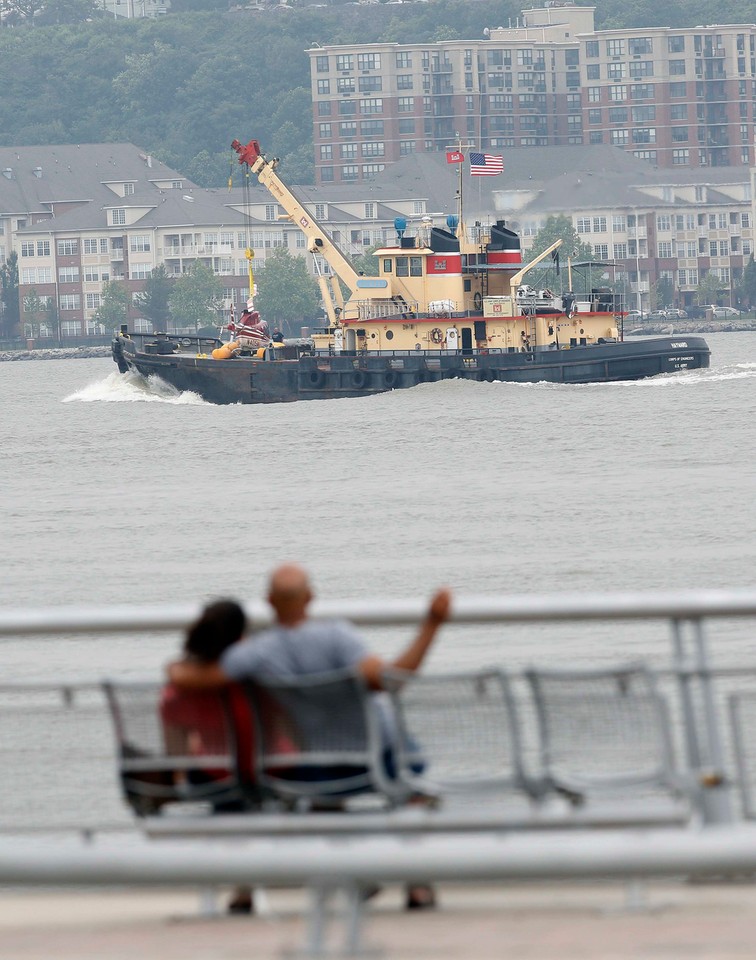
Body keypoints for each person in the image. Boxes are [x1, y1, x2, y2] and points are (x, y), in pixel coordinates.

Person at [168, 564, 452, 910]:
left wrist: (173, 668)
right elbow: (391, 679)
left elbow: (197, 678)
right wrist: (432, 625)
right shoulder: (338, 636)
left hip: (317, 772)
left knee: (324, 803)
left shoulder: (258, 651)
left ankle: (351, 877)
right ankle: (418, 888)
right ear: (311, 597)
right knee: (413, 792)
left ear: (269, 601)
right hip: (379, 760)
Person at [162, 599, 256, 915]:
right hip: (261, 773)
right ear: (241, 635)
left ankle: (241, 887)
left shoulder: (181, 684)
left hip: (209, 777)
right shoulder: (255, 675)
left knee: (221, 783)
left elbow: (174, 744)